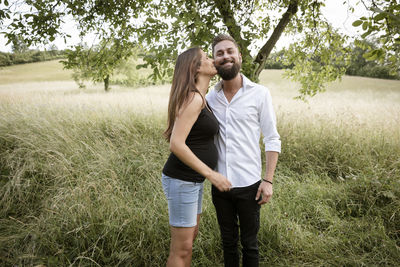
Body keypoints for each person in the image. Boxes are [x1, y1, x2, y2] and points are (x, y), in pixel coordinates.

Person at [206, 34, 281, 267]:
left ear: (239, 56)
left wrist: (267, 181)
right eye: (220, 53)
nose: (225, 56)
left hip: (250, 185)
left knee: (250, 244)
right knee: (228, 243)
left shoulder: (260, 93)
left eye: (230, 51)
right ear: (214, 61)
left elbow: (272, 138)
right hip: (220, 185)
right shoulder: (209, 97)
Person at [161, 47, 232, 267]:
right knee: (182, 248)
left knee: (189, 242)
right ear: (196, 68)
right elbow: (176, 144)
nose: (213, 61)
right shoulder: (193, 99)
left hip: (192, 181)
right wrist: (212, 175)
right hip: (182, 180)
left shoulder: (201, 98)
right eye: (207, 58)